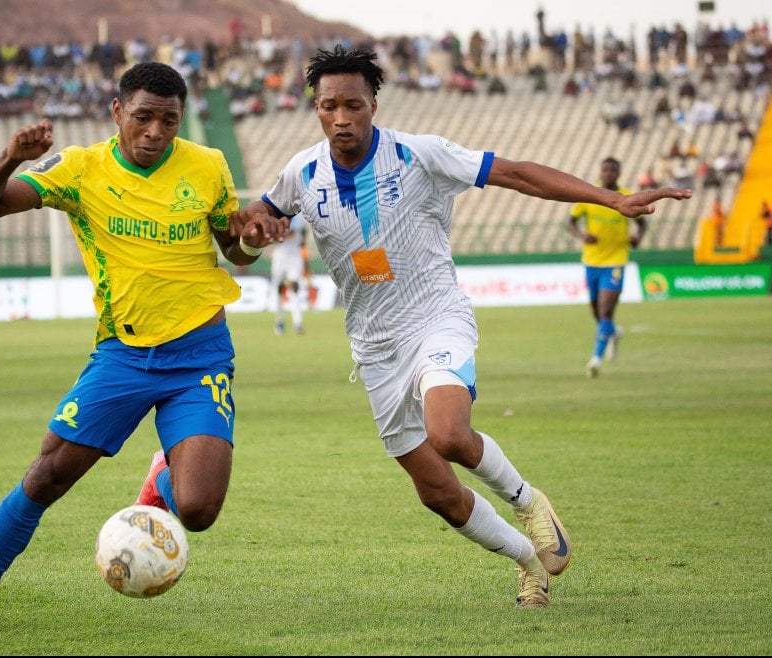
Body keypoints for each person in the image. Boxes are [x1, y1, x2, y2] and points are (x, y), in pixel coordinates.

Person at [232, 45, 690, 609]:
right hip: (373, 348)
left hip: (435, 318)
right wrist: (250, 238)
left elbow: (518, 174)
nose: (342, 117)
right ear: (317, 108)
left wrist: (610, 199)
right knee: (438, 494)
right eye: (329, 106)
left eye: (353, 104)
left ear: (374, 102)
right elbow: (251, 238)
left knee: (448, 433)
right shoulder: (300, 174)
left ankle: (527, 499)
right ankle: (528, 560)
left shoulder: (419, 155)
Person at [0, 62, 263, 640]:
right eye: (144, 117)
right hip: (123, 356)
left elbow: (235, 249)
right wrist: (10, 158)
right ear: (117, 112)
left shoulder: (208, 166)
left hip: (200, 355)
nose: (155, 131)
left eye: (169, 121)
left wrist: (249, 241)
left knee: (198, 510)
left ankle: (164, 478)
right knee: (47, 477)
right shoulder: (80, 168)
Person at [569, 157, 648, 378]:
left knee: (605, 310)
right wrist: (582, 236)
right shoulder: (589, 196)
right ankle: (613, 332)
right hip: (592, 261)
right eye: (605, 169)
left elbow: (642, 223)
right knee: (597, 311)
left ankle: (596, 359)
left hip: (615, 261)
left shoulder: (626, 197)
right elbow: (570, 222)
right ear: (601, 172)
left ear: (618, 173)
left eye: (613, 170)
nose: (608, 173)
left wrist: (637, 238)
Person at [269, 214, 309, 336]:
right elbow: (275, 236)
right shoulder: (276, 213)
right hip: (280, 255)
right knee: (279, 289)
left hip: (295, 255)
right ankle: (279, 321)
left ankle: (297, 323)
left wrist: (306, 261)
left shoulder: (299, 218)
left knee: (295, 287)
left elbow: (301, 236)